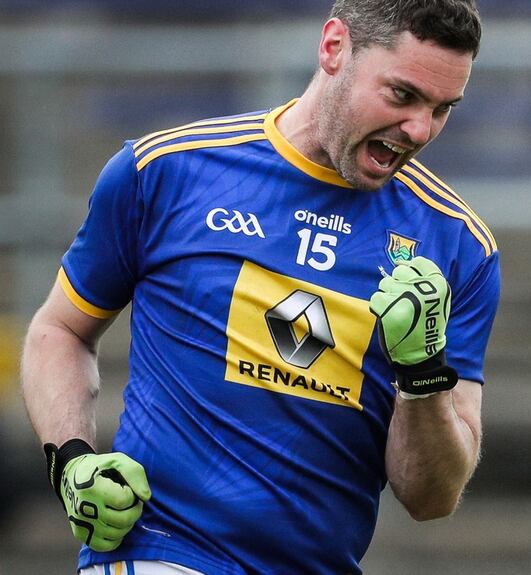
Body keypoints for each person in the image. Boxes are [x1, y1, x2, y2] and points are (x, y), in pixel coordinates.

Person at [20, 0, 500, 573]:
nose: (420, 129)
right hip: (160, 551)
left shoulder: (458, 246)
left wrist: (423, 375)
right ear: (334, 48)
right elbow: (59, 330)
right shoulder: (167, 171)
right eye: (402, 95)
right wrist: (71, 458)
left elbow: (430, 498)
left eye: (442, 109)